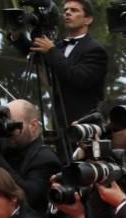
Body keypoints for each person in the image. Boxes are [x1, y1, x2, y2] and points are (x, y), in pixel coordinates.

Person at [0, 99, 62, 214]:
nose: (6, 131)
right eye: (3, 123)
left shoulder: (46, 159)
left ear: (33, 126)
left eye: (11, 125)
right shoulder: (2, 146)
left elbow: (28, 198)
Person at [22, 0, 108, 129]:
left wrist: (51, 51)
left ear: (88, 20)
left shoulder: (95, 50)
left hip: (84, 125)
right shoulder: (59, 47)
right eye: (65, 10)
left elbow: (79, 78)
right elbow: (38, 59)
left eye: (74, 10)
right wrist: (17, 37)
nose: (67, 13)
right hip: (58, 124)